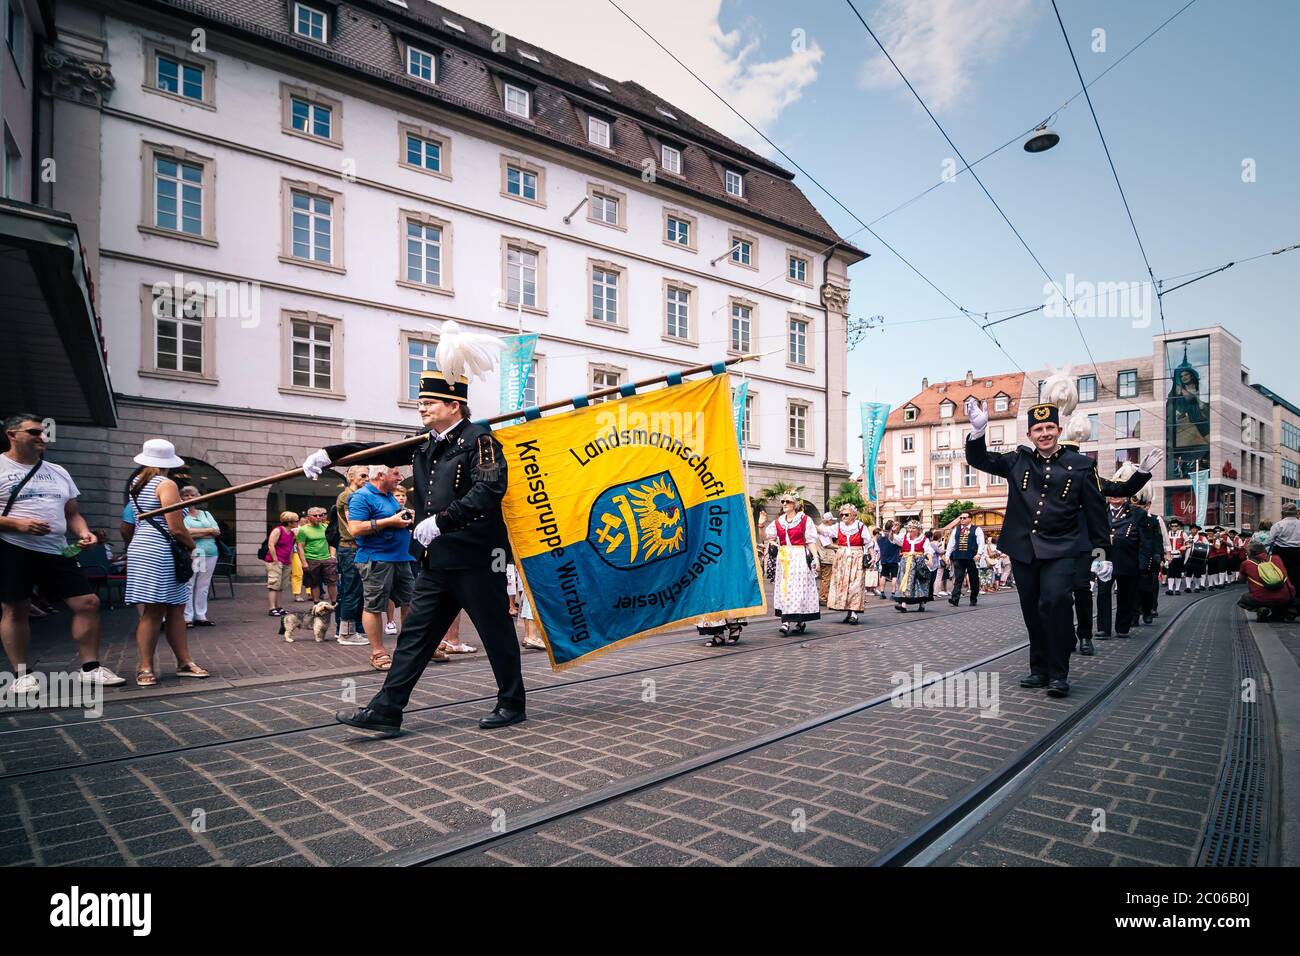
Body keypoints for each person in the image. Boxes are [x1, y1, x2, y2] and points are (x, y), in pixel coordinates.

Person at [308, 355, 526, 733]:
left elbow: (490, 488)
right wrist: (331, 454)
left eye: (429, 402)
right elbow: (380, 450)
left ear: (453, 405)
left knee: (496, 634)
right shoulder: (426, 445)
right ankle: (387, 709)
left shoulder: (481, 440)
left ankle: (511, 703)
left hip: (476, 557)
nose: (421, 408)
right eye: (421, 402)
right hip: (436, 560)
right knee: (414, 637)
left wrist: (443, 521)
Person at [964, 396, 1108, 697]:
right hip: (1024, 549)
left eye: (1050, 427)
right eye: (1038, 429)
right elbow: (981, 460)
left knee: (1055, 603)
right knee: (1032, 609)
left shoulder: (1081, 466)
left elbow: (1096, 513)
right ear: (1029, 434)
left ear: (1059, 429)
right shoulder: (1018, 461)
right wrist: (978, 432)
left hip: (1062, 548)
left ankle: (1059, 673)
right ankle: (1039, 669)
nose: (1044, 433)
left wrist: (1102, 554)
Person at [0, 412, 125, 692]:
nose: (41, 437)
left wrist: (83, 532)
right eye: (33, 432)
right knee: (16, 609)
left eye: (42, 432)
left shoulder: (58, 471)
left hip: (57, 551)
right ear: (12, 435)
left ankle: (90, 668)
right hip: (12, 548)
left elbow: (73, 513)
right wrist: (18, 524)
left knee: (88, 602)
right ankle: (22, 674)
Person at [123, 440, 209, 687]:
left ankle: (175, 663)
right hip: (160, 550)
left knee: (170, 608)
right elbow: (176, 527)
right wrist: (193, 548)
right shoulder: (166, 483)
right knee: (162, 609)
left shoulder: (136, 484)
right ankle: (149, 666)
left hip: (142, 546)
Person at [342, 465, 423, 672]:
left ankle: (411, 649)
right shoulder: (361, 496)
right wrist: (391, 521)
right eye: (395, 474)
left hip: (401, 558)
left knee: (410, 602)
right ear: (380, 475)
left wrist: (405, 518)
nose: (400, 477)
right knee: (374, 605)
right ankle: (378, 652)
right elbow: (355, 528)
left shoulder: (388, 496)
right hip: (376, 559)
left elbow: (393, 521)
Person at [766, 493, 820, 635]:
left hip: (799, 556)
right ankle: (785, 621)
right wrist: (760, 525)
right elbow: (767, 537)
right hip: (784, 557)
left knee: (798, 588)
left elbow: (810, 541)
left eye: (788, 501)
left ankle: (799, 620)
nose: (784, 503)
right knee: (784, 588)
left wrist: (815, 558)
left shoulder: (804, 520)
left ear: (794, 504)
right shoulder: (778, 521)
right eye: (783, 501)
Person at [333, 466, 369, 643]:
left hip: (351, 548)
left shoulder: (352, 496)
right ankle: (346, 632)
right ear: (351, 477)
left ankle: (347, 629)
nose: (366, 479)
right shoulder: (348, 496)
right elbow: (354, 525)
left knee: (352, 590)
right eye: (363, 476)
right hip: (351, 547)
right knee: (352, 590)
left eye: (367, 475)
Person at [820, 503, 869, 624]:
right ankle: (848, 611)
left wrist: (872, 556)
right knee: (843, 584)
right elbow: (824, 531)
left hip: (856, 556)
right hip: (841, 557)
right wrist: (810, 524)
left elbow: (868, 542)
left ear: (853, 515)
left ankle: (854, 613)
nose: (843, 517)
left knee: (855, 584)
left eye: (846, 514)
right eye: (842, 515)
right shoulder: (839, 526)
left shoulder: (860, 526)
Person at [181, 485, 221, 628]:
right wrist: (208, 531)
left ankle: (201, 615)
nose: (189, 498)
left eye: (192, 495)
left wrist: (197, 532)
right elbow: (184, 533)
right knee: (189, 585)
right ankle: (187, 617)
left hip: (210, 552)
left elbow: (217, 531)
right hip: (193, 552)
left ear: (198, 497)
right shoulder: (181, 514)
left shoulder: (206, 513)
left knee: (203, 585)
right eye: (186, 495)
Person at [1237, 541, 1297, 622]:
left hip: (1261, 599)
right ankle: (1287, 611)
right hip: (1285, 598)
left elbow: (1241, 580)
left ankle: (1260, 609)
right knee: (1285, 600)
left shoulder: (1246, 563)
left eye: (1247, 552)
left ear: (1251, 553)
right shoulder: (1276, 558)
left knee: (1243, 599)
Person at [296, 505, 338, 607]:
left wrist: (332, 556)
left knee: (332, 582)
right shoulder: (303, 530)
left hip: (327, 559)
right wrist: (304, 562)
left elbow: (332, 542)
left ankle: (334, 603)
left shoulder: (326, 527)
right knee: (314, 583)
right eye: (315, 515)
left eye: (320, 515)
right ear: (309, 517)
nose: (318, 517)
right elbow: (300, 547)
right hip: (312, 559)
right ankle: (316, 603)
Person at [891, 520, 934, 612]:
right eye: (909, 528)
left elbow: (928, 550)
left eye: (913, 528)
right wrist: (893, 531)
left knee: (920, 582)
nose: (910, 530)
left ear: (918, 530)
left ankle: (921, 603)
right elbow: (893, 539)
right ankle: (904, 604)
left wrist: (930, 560)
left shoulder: (924, 539)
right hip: (906, 562)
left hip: (918, 562)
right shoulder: (904, 537)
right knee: (905, 581)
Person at [944, 510, 984, 607]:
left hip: (972, 558)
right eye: (961, 518)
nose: (962, 519)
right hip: (959, 557)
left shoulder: (977, 529)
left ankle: (973, 598)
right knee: (958, 578)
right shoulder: (956, 529)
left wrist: (979, 553)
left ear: (970, 519)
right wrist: (947, 555)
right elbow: (951, 544)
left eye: (964, 518)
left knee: (973, 579)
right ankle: (955, 599)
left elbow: (981, 542)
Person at [264, 511, 297, 616]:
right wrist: (275, 560)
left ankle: (279, 607)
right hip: (275, 561)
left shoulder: (292, 533)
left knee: (281, 586)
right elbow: (271, 544)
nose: (297, 523)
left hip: (286, 561)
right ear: (290, 522)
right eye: (296, 521)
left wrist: (290, 559)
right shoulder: (278, 530)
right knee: (274, 584)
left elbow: (291, 547)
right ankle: (272, 608)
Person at [1267, 503, 1300, 589]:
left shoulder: (1278, 525)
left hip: (1280, 552)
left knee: (1280, 573)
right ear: (1297, 512)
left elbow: (1270, 540)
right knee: (1297, 574)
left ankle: (1284, 592)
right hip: (1297, 552)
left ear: (1283, 513)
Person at [876, 520, 900, 600]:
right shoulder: (894, 536)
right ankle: (893, 593)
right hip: (893, 558)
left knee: (883, 575)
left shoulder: (880, 537)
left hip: (884, 559)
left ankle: (882, 592)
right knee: (894, 576)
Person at [1166, 519, 1188, 595]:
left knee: (1178, 573)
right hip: (1170, 556)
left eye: (1176, 526)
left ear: (1178, 526)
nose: (1174, 527)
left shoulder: (1183, 534)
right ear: (1170, 526)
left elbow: (1189, 544)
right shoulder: (1167, 534)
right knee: (1170, 573)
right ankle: (1170, 589)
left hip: (1179, 556)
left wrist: (1185, 546)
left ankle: (1177, 589)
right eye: (1172, 526)